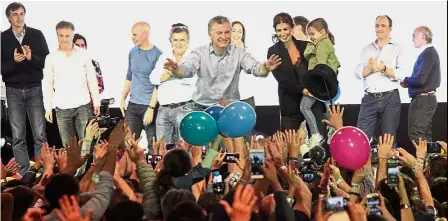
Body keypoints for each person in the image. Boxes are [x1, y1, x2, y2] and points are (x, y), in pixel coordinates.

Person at [163, 15, 281, 111]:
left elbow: (255, 68)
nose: (224, 36)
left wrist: (265, 68)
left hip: (229, 108)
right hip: (202, 108)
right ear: (210, 35)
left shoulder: (238, 53)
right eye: (219, 33)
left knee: (237, 138)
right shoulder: (199, 53)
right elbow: (187, 69)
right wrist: (176, 69)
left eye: (227, 32)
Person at [1, 2, 49, 175]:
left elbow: (46, 62)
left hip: (35, 89)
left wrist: (31, 58)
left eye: (22, 13)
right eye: (15, 14)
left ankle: (43, 172)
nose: (19, 17)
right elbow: (1, 68)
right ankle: (24, 174)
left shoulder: (36, 35)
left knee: (39, 135)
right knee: (18, 136)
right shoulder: (3, 38)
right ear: (9, 17)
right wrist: (14, 62)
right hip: (13, 91)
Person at [267, 12, 328, 132]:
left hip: (313, 103)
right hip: (290, 106)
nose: (283, 33)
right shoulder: (273, 51)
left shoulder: (306, 46)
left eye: (286, 29)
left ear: (292, 28)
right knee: (290, 147)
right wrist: (303, 90)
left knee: (319, 145)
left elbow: (320, 68)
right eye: (279, 30)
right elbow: (282, 79)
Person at [42, 21, 100, 147]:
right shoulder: (51, 58)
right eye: (61, 36)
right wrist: (47, 107)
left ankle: (86, 168)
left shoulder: (83, 54)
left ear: (73, 36)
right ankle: (73, 168)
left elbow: (92, 79)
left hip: (83, 106)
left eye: (67, 36)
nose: (64, 39)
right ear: (57, 36)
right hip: (62, 108)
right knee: (69, 147)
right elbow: (47, 84)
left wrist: (96, 102)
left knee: (87, 145)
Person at [354, 15, 407, 145]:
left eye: (383, 25)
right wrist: (370, 69)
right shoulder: (366, 49)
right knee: (362, 138)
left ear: (390, 28)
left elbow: (402, 73)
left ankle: (390, 165)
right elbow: (357, 72)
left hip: (390, 98)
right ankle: (362, 165)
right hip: (369, 98)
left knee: (389, 138)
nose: (379, 28)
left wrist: (384, 68)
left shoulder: (397, 48)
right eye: (377, 25)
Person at [150, 23, 196, 145]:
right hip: (164, 110)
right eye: (175, 40)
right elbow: (153, 78)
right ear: (171, 41)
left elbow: (193, 80)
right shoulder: (164, 57)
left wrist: (171, 73)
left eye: (182, 40)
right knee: (162, 149)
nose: (179, 43)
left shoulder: (193, 58)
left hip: (185, 108)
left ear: (188, 41)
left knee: (185, 148)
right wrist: (164, 76)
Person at [120, 22, 161, 154]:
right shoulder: (132, 52)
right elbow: (129, 76)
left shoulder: (157, 55)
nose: (132, 37)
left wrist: (151, 108)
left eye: (135, 34)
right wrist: (122, 98)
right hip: (133, 106)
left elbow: (158, 85)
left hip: (148, 106)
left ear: (145, 35)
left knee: (153, 146)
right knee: (129, 144)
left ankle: (153, 173)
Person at [302, 18, 340, 146]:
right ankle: (332, 130)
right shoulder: (321, 43)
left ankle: (315, 134)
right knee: (328, 105)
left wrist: (314, 84)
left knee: (304, 106)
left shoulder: (322, 44)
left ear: (323, 32)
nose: (311, 37)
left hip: (319, 82)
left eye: (312, 34)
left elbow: (321, 65)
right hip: (323, 82)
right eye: (309, 35)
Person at [400, 26, 440, 143]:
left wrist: (405, 80)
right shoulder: (429, 53)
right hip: (426, 100)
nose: (412, 39)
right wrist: (409, 83)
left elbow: (421, 79)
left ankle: (424, 161)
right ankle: (430, 161)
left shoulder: (427, 53)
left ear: (423, 36)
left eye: (414, 36)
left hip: (422, 101)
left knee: (416, 134)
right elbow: (424, 79)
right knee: (424, 136)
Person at [73, 33, 105, 109]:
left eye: (82, 45)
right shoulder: (66, 65)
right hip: (70, 106)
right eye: (77, 45)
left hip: (89, 105)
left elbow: (101, 86)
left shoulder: (94, 64)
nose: (80, 48)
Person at [231, 21, 257, 110]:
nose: (236, 34)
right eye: (233, 30)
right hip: (228, 99)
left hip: (246, 98)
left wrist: (240, 50)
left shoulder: (248, 52)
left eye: (240, 31)